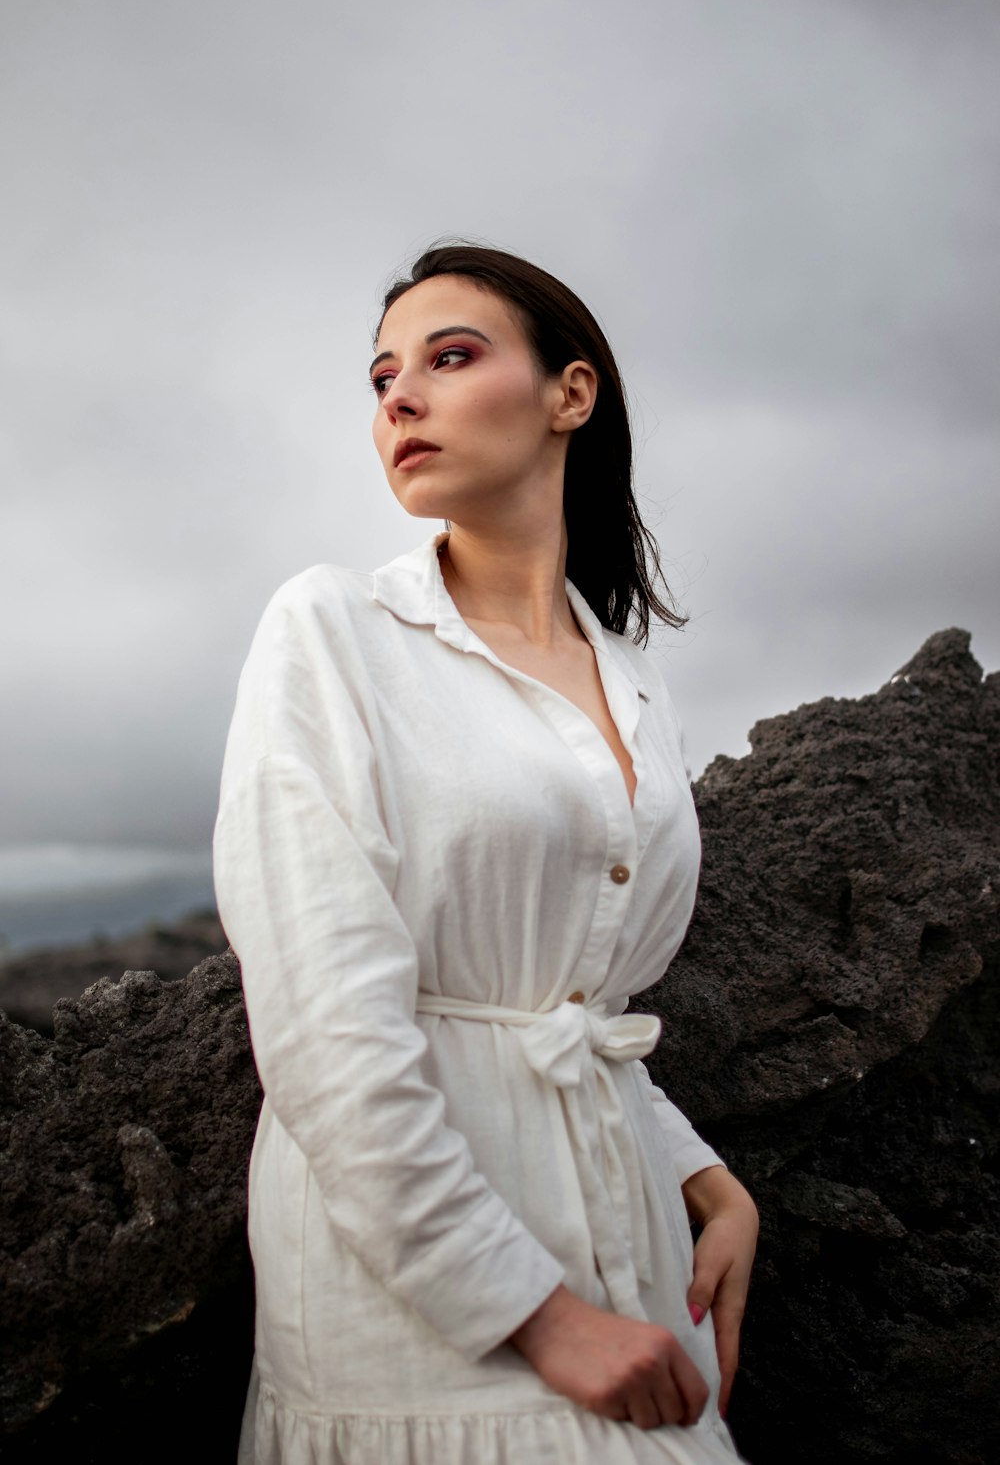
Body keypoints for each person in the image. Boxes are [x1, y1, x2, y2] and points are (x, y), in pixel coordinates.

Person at [213, 241, 759, 1465]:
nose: (398, 397)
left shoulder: (628, 678)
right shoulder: (332, 630)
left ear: (572, 393)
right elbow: (321, 1021)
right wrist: (537, 1316)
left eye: (449, 359)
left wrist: (703, 1174)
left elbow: (568, 995)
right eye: (380, 377)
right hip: (418, 1308)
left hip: (636, 1240)